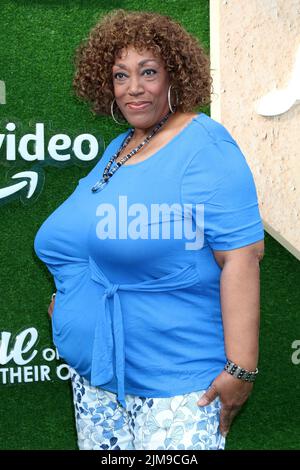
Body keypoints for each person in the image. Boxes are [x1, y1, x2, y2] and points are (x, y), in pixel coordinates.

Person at [34, 9, 265, 451]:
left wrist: (240, 369)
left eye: (149, 72)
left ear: (175, 75)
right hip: (100, 378)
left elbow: (241, 256)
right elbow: (91, 234)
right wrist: (71, 301)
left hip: (176, 386)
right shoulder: (121, 146)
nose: (134, 88)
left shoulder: (205, 145)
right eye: (121, 75)